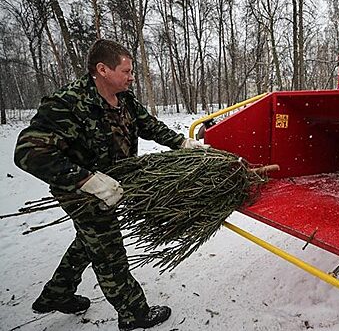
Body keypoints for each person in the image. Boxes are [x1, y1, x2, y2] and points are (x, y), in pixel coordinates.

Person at [14, 39, 208, 330]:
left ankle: (57, 293)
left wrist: (181, 142)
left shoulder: (124, 99)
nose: (131, 76)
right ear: (102, 69)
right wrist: (86, 179)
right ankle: (134, 313)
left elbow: (149, 125)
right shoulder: (67, 104)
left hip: (113, 184)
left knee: (88, 240)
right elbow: (27, 152)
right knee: (108, 250)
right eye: (126, 71)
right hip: (79, 191)